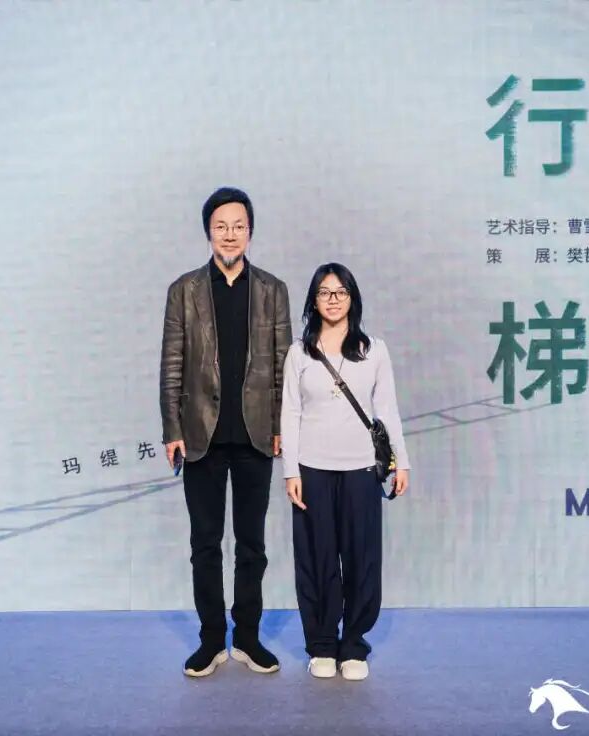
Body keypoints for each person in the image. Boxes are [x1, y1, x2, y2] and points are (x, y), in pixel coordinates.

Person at [160, 187, 292, 677]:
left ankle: (249, 639)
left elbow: (284, 366)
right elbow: (171, 365)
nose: (230, 234)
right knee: (205, 545)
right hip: (201, 436)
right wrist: (172, 428)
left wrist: (282, 425)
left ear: (250, 232)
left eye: (239, 226)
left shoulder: (273, 290)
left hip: (257, 435)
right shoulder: (184, 290)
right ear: (208, 233)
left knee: (252, 545)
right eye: (221, 226)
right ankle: (212, 640)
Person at [280, 262, 411, 681]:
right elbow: (290, 413)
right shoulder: (300, 353)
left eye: (341, 292)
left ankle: (353, 644)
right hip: (312, 470)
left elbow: (386, 409)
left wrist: (401, 461)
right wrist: (291, 471)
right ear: (313, 301)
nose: (333, 299)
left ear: (352, 299)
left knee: (361, 558)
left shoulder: (374, 350)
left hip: (361, 471)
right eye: (324, 292)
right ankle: (321, 645)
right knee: (316, 559)